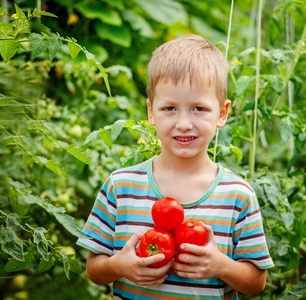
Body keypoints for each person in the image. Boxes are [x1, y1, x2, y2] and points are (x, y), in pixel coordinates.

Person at [76, 34, 274, 299]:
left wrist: (220, 266)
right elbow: (94, 269)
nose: (183, 123)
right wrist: (120, 266)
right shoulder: (120, 187)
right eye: (169, 108)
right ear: (150, 112)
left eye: (199, 109)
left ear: (222, 113)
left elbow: (256, 282)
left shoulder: (238, 195)